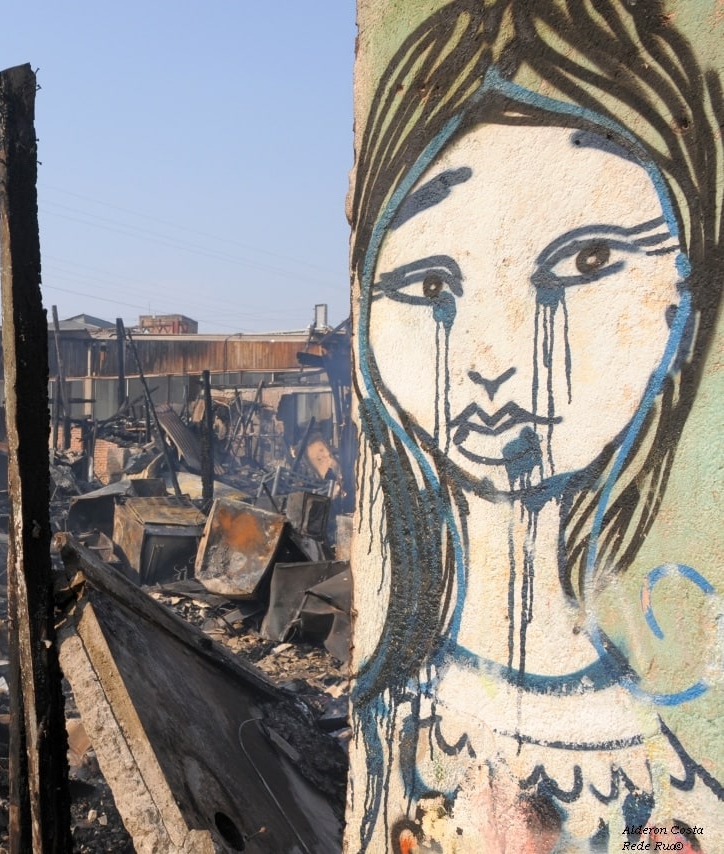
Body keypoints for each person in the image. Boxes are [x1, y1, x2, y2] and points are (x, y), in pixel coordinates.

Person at [348, 0, 724, 849]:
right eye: (430, 286)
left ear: (684, 294)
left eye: (588, 261)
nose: (494, 359)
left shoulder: (678, 766)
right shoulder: (388, 719)